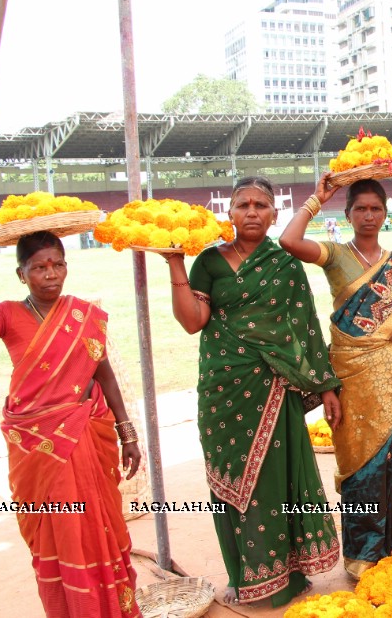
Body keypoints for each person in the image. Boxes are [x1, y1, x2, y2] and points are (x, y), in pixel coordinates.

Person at [164, 176, 341, 605]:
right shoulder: (207, 261)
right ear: (230, 213)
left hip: (274, 387)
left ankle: (288, 572)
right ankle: (244, 574)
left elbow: (306, 327)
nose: (251, 212)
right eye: (242, 204)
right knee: (231, 480)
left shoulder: (284, 265)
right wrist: (174, 263)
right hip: (223, 389)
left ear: (273, 214)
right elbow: (193, 322)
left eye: (260, 205)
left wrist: (326, 384)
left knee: (275, 478)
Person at [0, 230, 142, 617]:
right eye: (39, 268)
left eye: (57, 264)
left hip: (87, 433)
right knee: (60, 532)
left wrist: (127, 431)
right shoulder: (6, 314)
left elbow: (105, 374)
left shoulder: (82, 314)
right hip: (39, 446)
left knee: (100, 528)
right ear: (21, 274)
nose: (50, 274)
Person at [279, 176, 392, 579]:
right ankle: (363, 555)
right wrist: (317, 198)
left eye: (375, 209)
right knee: (363, 467)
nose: (368, 215)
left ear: (385, 214)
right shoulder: (333, 253)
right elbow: (289, 241)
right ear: (347, 215)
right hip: (353, 375)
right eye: (360, 209)